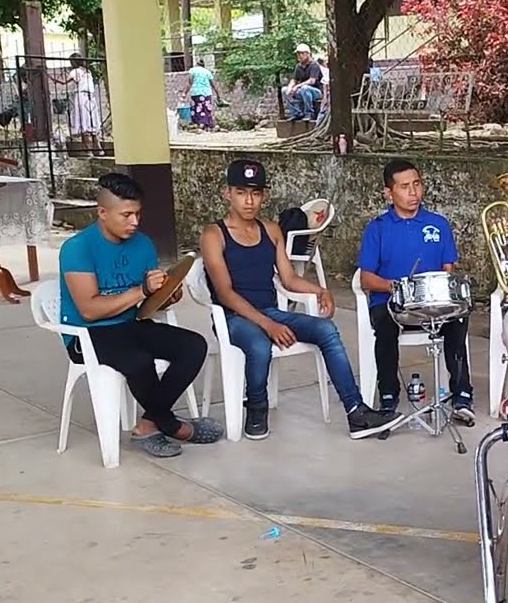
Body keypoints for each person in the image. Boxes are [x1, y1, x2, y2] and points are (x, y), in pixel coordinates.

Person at [200, 159, 403, 441]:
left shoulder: (271, 230)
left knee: (327, 330)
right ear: (227, 193)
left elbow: (288, 279)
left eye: (256, 193)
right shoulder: (214, 234)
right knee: (259, 344)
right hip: (233, 317)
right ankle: (256, 406)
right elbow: (225, 293)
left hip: (270, 311)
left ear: (264, 196)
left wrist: (320, 290)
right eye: (241, 192)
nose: (249, 201)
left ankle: (356, 412)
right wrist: (268, 325)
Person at [58, 173, 223, 457]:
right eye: (126, 215)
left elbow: (147, 305)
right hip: (86, 334)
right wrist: (142, 291)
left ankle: (148, 424)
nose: (134, 221)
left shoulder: (143, 244)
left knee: (193, 346)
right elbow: (88, 310)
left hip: (128, 323)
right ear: (102, 212)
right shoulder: (77, 248)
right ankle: (170, 424)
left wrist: (167, 296)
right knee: (138, 360)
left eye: (138, 214)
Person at [359, 158, 476, 422]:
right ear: (388, 193)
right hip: (392, 303)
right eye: (404, 187)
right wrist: (399, 288)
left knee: (458, 320)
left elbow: (448, 268)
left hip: (432, 302)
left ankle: (462, 397)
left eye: (417, 184)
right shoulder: (377, 228)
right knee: (385, 330)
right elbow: (366, 279)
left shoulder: (438, 224)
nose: (413, 192)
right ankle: (388, 396)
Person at [50, 53, 102, 155]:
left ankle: (89, 151)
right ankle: (99, 149)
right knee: (92, 122)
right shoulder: (87, 71)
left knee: (84, 123)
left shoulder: (75, 71)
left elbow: (64, 82)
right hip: (91, 98)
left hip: (81, 98)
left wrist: (55, 80)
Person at [284, 43, 323, 121]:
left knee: (305, 88)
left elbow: (312, 81)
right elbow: (294, 79)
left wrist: (297, 86)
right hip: (303, 91)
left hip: (316, 92)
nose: (300, 55)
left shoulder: (314, 65)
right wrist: (290, 87)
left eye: (302, 53)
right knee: (284, 90)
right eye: (298, 53)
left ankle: (309, 113)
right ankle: (296, 113)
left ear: (308, 54)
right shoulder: (298, 66)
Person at [182, 59, 221, 130]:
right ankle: (206, 124)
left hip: (196, 92)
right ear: (204, 66)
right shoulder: (207, 72)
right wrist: (218, 95)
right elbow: (213, 84)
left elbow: (189, 83)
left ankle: (199, 124)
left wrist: (184, 93)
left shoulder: (192, 70)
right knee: (206, 108)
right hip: (206, 93)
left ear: (196, 64)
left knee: (197, 107)